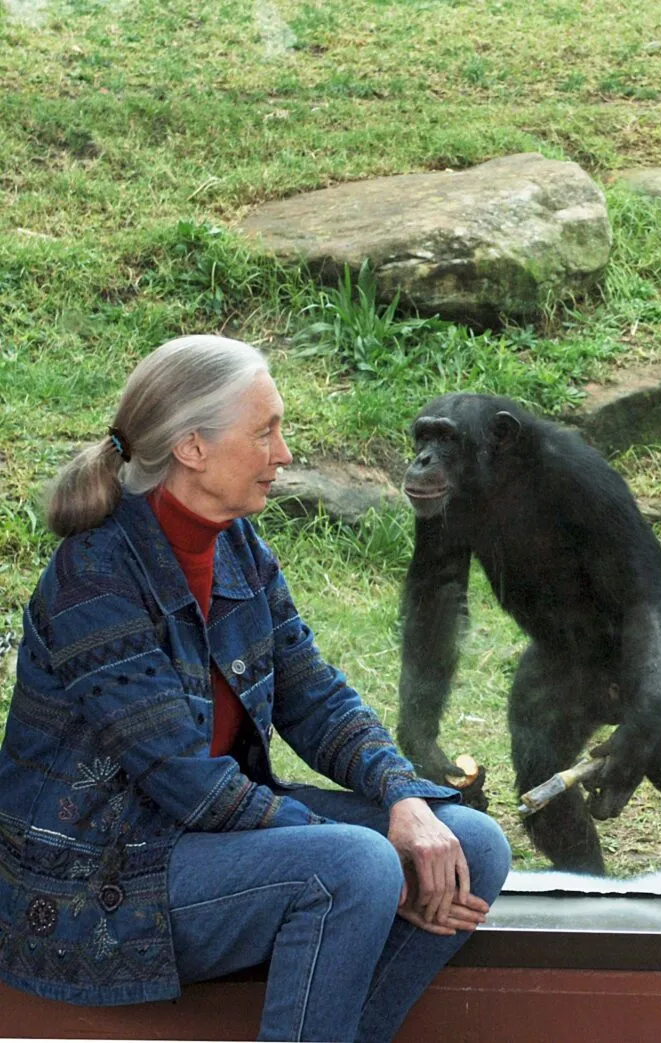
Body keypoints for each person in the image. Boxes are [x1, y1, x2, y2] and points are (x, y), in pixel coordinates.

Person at [0, 334, 511, 1042]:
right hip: (101, 878)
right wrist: (377, 851)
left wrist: (403, 796)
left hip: (204, 842)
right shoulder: (95, 577)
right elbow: (189, 782)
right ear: (191, 448)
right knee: (354, 865)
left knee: (471, 844)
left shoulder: (238, 546)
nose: (285, 452)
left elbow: (316, 696)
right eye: (265, 430)